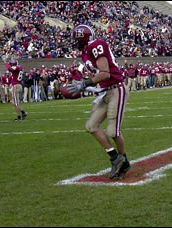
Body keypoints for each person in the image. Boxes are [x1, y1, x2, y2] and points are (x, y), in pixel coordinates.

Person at [66, 25, 130, 180]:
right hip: (104, 91)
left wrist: (84, 83)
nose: (75, 42)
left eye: (77, 39)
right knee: (91, 126)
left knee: (113, 132)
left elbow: (105, 73)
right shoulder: (86, 51)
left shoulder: (96, 45)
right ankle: (115, 158)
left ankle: (124, 162)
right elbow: (97, 77)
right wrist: (83, 85)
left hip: (116, 89)